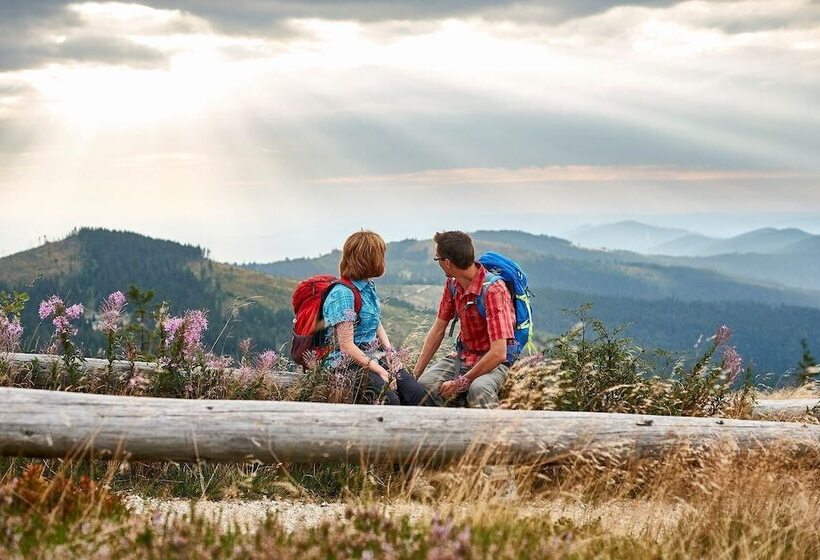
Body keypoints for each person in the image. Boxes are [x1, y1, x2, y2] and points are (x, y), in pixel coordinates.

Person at [322, 230, 430, 406]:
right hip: (347, 364)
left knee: (418, 395)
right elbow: (346, 346)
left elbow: (376, 322)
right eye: (380, 255)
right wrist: (380, 370)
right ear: (368, 259)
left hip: (374, 355)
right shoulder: (343, 294)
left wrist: (390, 354)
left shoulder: (368, 286)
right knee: (390, 401)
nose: (383, 260)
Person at [413, 231, 515, 408]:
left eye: (437, 259)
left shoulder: (494, 291)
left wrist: (460, 383)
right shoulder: (453, 284)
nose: (438, 263)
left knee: (479, 389)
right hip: (464, 356)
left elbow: (499, 353)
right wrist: (415, 375)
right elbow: (438, 330)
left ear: (447, 263)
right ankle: (451, 429)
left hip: (495, 362)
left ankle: (491, 434)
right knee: (424, 386)